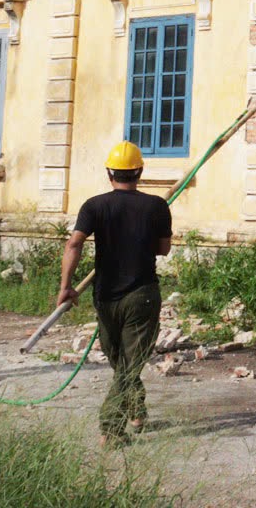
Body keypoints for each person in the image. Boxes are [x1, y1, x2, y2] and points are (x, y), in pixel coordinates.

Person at [58, 141, 172, 447]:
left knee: (122, 361)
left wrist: (65, 287)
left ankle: (121, 421)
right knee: (127, 363)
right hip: (141, 295)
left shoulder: (94, 206)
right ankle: (119, 421)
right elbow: (163, 249)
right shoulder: (156, 206)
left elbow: (73, 244)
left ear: (109, 172)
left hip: (105, 296)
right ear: (140, 172)